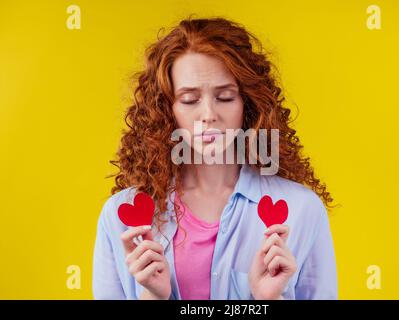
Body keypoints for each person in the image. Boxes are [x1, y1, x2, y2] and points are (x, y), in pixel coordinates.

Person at [93, 16, 337, 300]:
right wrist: (153, 297)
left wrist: (268, 300)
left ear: (248, 104)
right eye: (189, 99)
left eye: (225, 97)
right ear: (165, 109)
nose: (208, 114)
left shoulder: (302, 210)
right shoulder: (122, 216)